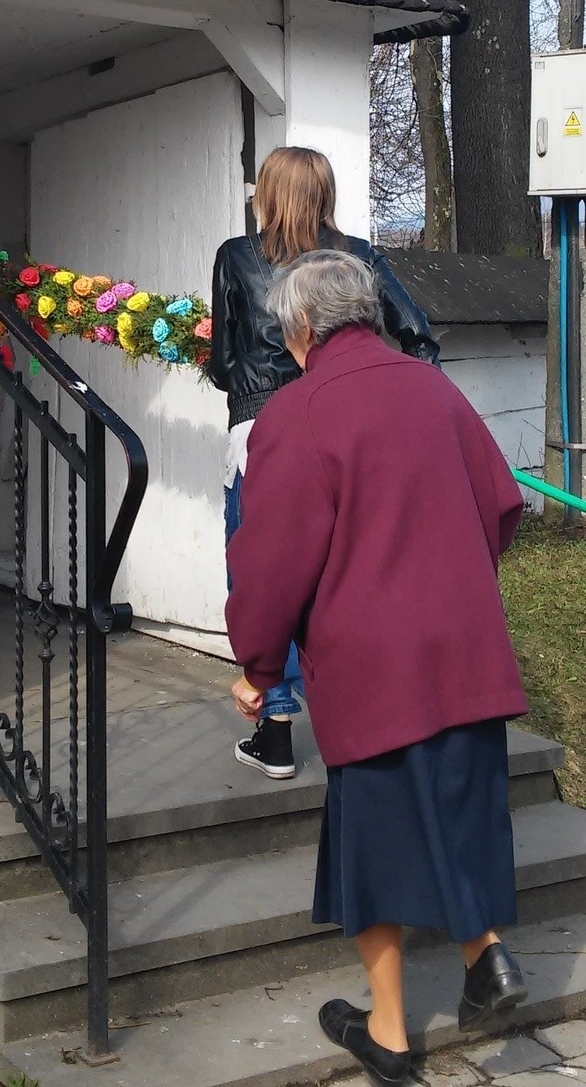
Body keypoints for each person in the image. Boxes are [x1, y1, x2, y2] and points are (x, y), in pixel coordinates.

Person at [226, 250, 528, 1087]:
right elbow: (502, 506)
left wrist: (256, 665)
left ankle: (391, 1035)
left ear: (297, 331)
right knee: (456, 813)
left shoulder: (297, 412)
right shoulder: (436, 387)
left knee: (371, 848)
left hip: (372, 667)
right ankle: (489, 958)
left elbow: (270, 564)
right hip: (465, 652)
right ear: (368, 313)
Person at [210, 147, 439, 778]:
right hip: (351, 425)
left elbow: (224, 360)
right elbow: (418, 336)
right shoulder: (357, 256)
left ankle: (276, 728)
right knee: (349, 566)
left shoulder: (236, 256)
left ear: (267, 193)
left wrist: (250, 382)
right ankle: (360, 713)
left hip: (260, 428)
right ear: (325, 191)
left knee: (263, 568)